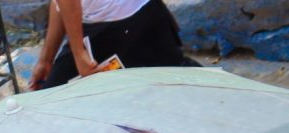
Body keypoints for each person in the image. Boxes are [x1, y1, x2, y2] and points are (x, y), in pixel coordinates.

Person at [29, 0, 193, 90]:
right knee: (178, 77)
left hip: (116, 22)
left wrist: (79, 53)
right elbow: (60, 3)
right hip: (147, 11)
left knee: (54, 99)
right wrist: (46, 59)